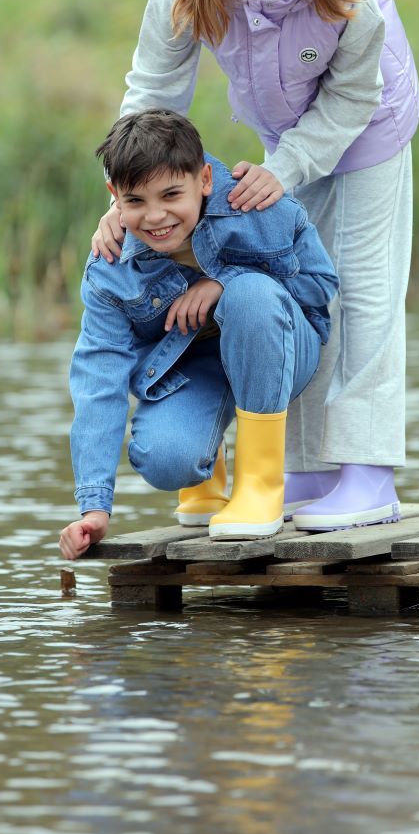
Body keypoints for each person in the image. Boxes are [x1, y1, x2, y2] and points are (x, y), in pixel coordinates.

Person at [92, 0, 419, 531]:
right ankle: (306, 469)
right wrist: (119, 200)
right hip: (283, 135)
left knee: (361, 292)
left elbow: (352, 100)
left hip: (367, 128)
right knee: (293, 289)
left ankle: (368, 472)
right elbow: (152, 94)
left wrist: (286, 169)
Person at [59, 109, 339, 561]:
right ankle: (208, 471)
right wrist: (95, 507)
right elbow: (98, 380)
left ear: (204, 179)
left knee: (248, 295)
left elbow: (320, 285)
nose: (155, 216)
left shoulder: (258, 206)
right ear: (113, 197)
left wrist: (222, 282)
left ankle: (260, 486)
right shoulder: (111, 267)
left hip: (281, 347)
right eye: (135, 202)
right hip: (195, 369)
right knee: (165, 458)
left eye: (171, 194)